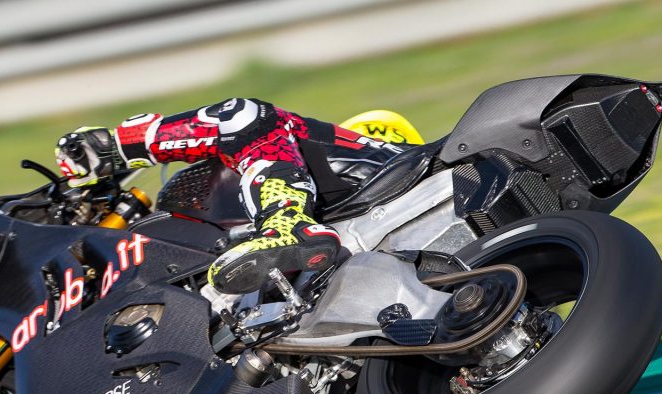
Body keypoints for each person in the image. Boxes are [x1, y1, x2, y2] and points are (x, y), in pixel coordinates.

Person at [55, 98, 422, 294]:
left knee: (242, 117)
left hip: (392, 192)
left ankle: (285, 221)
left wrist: (116, 147)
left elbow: (247, 121)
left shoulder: (363, 152)